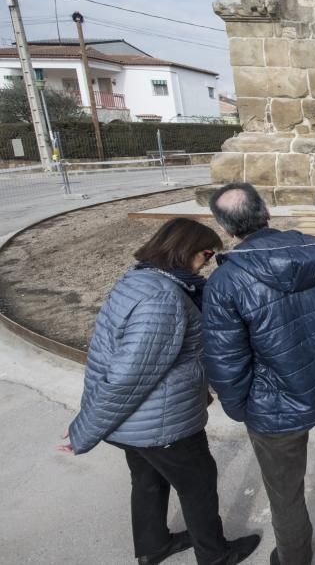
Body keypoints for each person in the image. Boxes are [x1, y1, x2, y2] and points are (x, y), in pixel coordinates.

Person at [60, 218, 261, 565]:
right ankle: (215, 556)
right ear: (185, 250)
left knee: (148, 480)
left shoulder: (139, 279)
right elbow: (128, 378)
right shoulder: (163, 299)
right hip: (162, 423)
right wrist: (84, 430)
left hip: (136, 424)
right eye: (207, 254)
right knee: (197, 486)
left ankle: (153, 547)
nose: (208, 264)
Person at [201, 183, 315, 565]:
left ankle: (294, 557)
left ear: (226, 228)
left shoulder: (224, 282)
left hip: (274, 407)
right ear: (265, 210)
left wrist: (241, 408)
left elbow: (225, 362)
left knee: (285, 491)